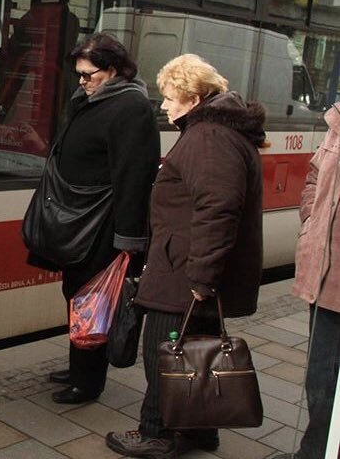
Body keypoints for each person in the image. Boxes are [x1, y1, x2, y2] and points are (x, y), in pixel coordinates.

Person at [106, 54, 266, 459]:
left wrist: (200, 277)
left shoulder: (209, 137)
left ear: (193, 98)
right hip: (188, 267)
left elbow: (218, 208)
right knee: (198, 352)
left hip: (184, 275)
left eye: (170, 96)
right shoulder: (217, 132)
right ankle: (199, 432)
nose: (163, 105)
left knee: (166, 353)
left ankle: (156, 433)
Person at [27, 33, 160, 404]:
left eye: (89, 75)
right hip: (79, 217)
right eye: (79, 75)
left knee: (92, 299)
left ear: (114, 70)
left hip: (102, 224)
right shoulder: (94, 99)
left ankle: (88, 382)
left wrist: (129, 240)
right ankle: (78, 365)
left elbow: (134, 176)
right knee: (76, 292)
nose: (82, 81)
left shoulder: (131, 108)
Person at [272, 103, 340, 459]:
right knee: (321, 379)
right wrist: (312, 216)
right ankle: (314, 451)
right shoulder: (337, 124)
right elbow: (314, 176)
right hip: (326, 277)